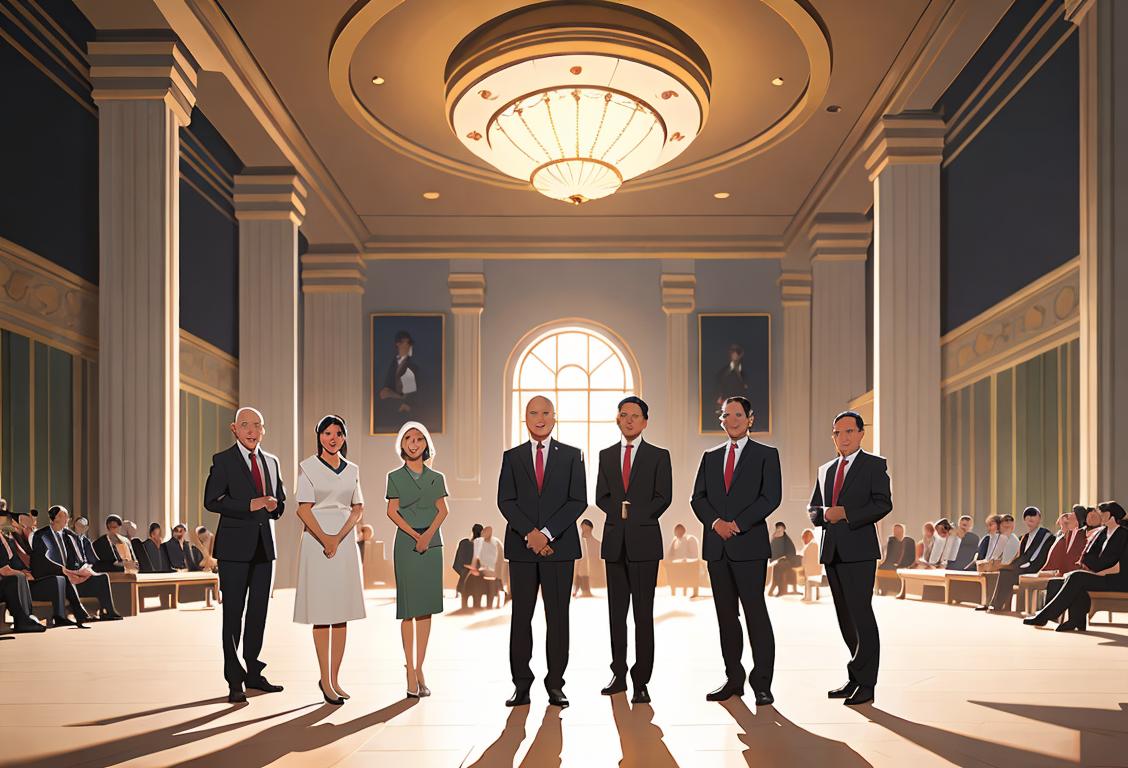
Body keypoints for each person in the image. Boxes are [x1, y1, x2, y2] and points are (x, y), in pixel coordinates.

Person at [497, 395, 587, 709]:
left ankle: (555, 685)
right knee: (521, 617)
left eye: (546, 412)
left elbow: (578, 501)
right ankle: (521, 685)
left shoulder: (573, 456)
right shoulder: (512, 456)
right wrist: (530, 534)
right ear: (525, 418)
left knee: (557, 619)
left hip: (559, 549)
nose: (540, 418)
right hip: (522, 550)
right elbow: (505, 501)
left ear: (554, 417)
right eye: (533, 413)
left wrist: (546, 534)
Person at [691, 395, 781, 706]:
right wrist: (716, 523)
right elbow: (697, 498)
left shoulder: (766, 455)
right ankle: (733, 678)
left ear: (750, 418)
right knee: (726, 618)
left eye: (739, 414)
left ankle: (762, 683)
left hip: (749, 547)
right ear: (722, 420)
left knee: (756, 615)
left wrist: (738, 524)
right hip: (717, 549)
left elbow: (771, 498)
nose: (733, 420)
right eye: (727, 415)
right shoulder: (710, 457)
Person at [808, 410, 892, 707]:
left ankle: (867, 683)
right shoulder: (826, 469)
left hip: (859, 552)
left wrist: (845, 513)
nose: (842, 438)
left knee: (861, 614)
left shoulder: (873, 465)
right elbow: (813, 508)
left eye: (848, 432)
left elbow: (883, 504)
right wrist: (820, 516)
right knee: (845, 617)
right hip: (832, 551)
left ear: (860, 433)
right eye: (837, 433)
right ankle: (856, 676)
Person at [203, 406, 286, 703]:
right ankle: (233, 679)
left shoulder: (272, 461)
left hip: (265, 549)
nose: (252, 431)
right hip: (234, 551)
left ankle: (253, 671)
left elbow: (281, 501)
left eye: (257, 425)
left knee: (258, 615)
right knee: (233, 615)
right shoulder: (223, 460)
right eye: (245, 425)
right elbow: (211, 500)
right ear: (234, 429)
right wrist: (249, 504)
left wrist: (276, 506)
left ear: (264, 430)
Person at [595, 395, 672, 705]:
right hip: (614, 544)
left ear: (644, 422)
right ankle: (618, 673)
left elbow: (662, 497)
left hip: (644, 544)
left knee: (643, 615)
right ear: (618, 420)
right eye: (623, 415)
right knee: (616, 615)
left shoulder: (658, 456)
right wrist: (619, 510)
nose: (629, 420)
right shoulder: (606, 455)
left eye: (635, 416)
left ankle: (641, 681)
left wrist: (631, 513)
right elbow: (601, 496)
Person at [294, 414, 366, 706]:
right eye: (327, 433)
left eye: (338, 433)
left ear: (344, 438)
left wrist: (339, 537)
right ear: (319, 436)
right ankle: (324, 678)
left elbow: (358, 507)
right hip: (316, 540)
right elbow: (303, 509)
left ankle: (335, 678)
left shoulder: (352, 470)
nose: (332, 438)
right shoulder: (308, 468)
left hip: (344, 541)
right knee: (323, 612)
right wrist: (326, 538)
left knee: (341, 611)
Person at [386, 421, 448, 699]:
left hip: (432, 545)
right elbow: (392, 512)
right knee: (409, 609)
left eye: (419, 439)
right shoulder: (394, 477)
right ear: (402, 444)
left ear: (426, 445)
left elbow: (443, 510)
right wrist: (415, 535)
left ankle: (420, 667)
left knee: (426, 610)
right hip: (407, 545)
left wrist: (427, 536)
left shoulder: (437, 477)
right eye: (408, 438)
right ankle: (409, 669)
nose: (414, 443)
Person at [1025, 501, 1128, 631]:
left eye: (1102, 513)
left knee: (1077, 577)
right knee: (1061, 581)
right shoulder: (1102, 533)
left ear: (1111, 515)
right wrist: (1092, 568)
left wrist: (1094, 570)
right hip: (1099, 575)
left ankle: (1046, 616)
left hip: (1117, 578)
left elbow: (1119, 564)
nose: (1099, 515)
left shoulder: (1124, 534)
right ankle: (1075, 621)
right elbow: (1087, 556)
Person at [30, 507, 97, 628]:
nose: (67, 519)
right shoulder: (41, 535)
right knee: (62, 577)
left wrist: (81, 569)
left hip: (65, 575)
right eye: (64, 515)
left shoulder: (68, 535)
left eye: (67, 516)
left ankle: (73, 615)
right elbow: (40, 560)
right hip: (44, 576)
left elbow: (75, 558)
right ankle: (77, 613)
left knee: (94, 577)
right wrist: (61, 569)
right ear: (55, 518)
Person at [53, 507, 123, 620]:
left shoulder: (86, 541)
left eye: (82, 526)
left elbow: (94, 561)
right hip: (71, 576)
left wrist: (87, 567)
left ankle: (108, 611)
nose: (79, 528)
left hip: (83, 573)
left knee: (103, 577)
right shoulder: (65, 539)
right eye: (77, 525)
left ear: (86, 528)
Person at [980, 507, 1052, 612]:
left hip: (1036, 567)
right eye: (1027, 515)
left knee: (1006, 572)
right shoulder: (1025, 537)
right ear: (1024, 520)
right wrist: (1011, 565)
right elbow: (1020, 556)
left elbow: (1038, 557)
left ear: (1039, 518)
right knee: (1003, 571)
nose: (1030, 517)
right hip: (1022, 567)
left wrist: (1017, 566)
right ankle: (994, 604)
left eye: (1033, 514)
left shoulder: (1045, 535)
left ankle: (996, 605)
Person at [0, 507, 45, 632]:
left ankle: (27, 617)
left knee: (19, 576)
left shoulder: (4, 537)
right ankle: (22, 621)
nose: (9, 522)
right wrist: (21, 573)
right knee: (15, 578)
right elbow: (4, 570)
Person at [1039, 511, 1087, 578]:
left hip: (1061, 572)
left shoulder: (1076, 538)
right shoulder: (1061, 537)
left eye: (1063, 525)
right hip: (1055, 570)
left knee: (1035, 577)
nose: (1061, 528)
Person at [713, 344, 750, 418]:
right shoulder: (724, 371)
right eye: (733, 354)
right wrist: (720, 396)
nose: (735, 357)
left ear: (740, 356)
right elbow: (719, 383)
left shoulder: (745, 371)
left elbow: (747, 386)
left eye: (736, 355)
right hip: (726, 399)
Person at [667, 523, 701, 597]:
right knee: (673, 570)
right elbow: (670, 553)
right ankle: (674, 592)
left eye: (679, 531)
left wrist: (687, 559)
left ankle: (695, 592)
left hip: (691, 563)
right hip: (677, 563)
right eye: (676, 531)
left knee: (692, 571)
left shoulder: (690, 539)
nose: (678, 533)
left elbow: (694, 554)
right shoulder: (674, 540)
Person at [767, 522, 800, 596]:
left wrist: (786, 556)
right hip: (777, 560)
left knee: (782, 566)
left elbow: (791, 550)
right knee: (779, 567)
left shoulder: (786, 539)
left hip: (787, 559)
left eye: (781, 529)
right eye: (778, 529)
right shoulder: (774, 538)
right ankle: (780, 590)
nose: (779, 531)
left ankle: (784, 590)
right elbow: (772, 551)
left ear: (784, 530)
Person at [452, 524, 481, 604]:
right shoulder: (468, 544)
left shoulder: (465, 543)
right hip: (473, 575)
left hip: (466, 575)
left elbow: (458, 563)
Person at [572, 520, 599, 598]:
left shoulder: (586, 540)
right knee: (580, 573)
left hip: (583, 558)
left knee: (582, 573)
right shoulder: (580, 537)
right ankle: (578, 590)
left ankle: (583, 591)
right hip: (580, 558)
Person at [799, 528, 821, 602]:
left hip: (813, 570)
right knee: (807, 582)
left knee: (808, 582)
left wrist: (805, 566)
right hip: (811, 569)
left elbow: (811, 559)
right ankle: (808, 596)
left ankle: (808, 597)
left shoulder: (813, 545)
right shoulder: (812, 544)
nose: (803, 541)